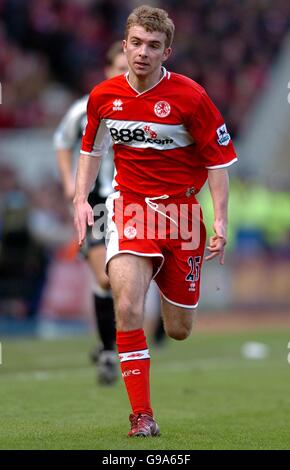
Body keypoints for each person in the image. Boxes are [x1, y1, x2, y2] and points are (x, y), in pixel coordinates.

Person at [74, 5, 237, 436]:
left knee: (179, 329)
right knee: (126, 305)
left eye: (154, 46)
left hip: (183, 215)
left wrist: (220, 220)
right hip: (129, 207)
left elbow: (218, 163)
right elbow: (90, 150)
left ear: (168, 51)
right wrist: (79, 199)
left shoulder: (192, 97)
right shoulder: (104, 96)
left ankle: (172, 304)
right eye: (136, 43)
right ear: (124, 45)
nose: (143, 53)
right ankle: (142, 416)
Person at [54, 42, 128, 384]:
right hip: (98, 205)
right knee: (104, 278)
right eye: (118, 67)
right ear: (107, 70)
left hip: (134, 205)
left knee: (128, 282)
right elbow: (62, 140)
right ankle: (110, 349)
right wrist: (71, 182)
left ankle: (110, 347)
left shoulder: (146, 108)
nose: (125, 74)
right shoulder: (86, 108)